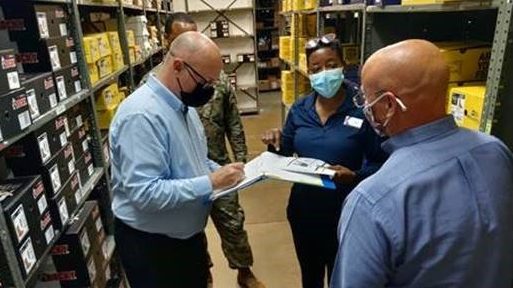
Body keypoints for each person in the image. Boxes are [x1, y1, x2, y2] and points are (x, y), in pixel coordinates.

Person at [331, 39, 513, 287]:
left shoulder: (373, 200)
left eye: (366, 98)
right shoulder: (495, 150)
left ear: (388, 105)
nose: (365, 107)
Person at [110, 31, 246, 288]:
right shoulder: (142, 116)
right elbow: (145, 193)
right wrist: (211, 182)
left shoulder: (183, 107)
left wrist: (224, 172)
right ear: (178, 66)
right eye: (205, 82)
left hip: (186, 240)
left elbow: (194, 160)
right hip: (154, 248)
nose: (209, 90)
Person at [139, 13, 265, 288]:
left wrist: (241, 160)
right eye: (181, 38)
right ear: (168, 42)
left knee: (232, 221)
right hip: (182, 172)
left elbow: (233, 123)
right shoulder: (154, 87)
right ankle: (204, 270)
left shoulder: (213, 78)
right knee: (194, 227)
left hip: (216, 162)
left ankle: (244, 270)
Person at [261, 34, 387, 288]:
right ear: (308, 72)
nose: (324, 74)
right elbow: (286, 153)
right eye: (316, 69)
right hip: (304, 211)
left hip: (346, 212)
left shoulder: (362, 108)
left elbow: (382, 162)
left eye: (331, 65)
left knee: (344, 277)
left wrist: (354, 175)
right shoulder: (300, 109)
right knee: (310, 277)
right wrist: (275, 144)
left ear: (343, 65)